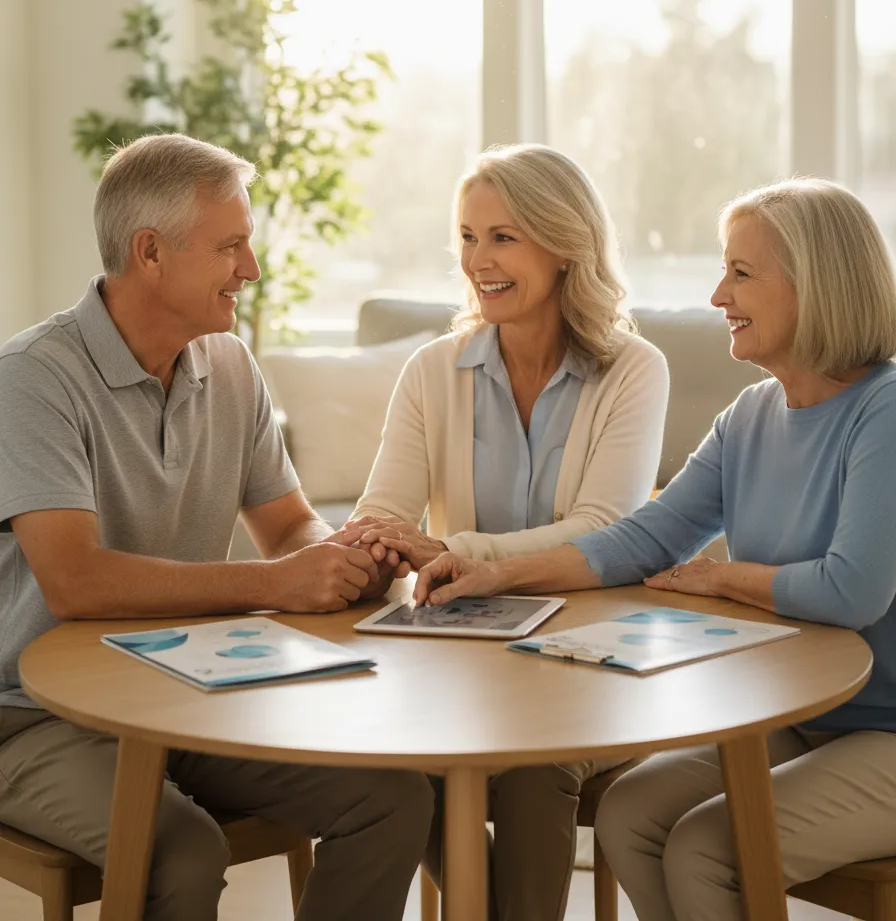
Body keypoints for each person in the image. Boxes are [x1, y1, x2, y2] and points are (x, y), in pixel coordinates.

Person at [408, 177, 896, 921]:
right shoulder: (751, 416)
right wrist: (498, 571)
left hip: (887, 731)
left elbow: (851, 592)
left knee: (707, 848)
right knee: (630, 813)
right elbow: (648, 537)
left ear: (815, 284)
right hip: (809, 720)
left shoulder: (884, 412)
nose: (715, 296)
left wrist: (723, 579)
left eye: (740, 272)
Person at [0, 133, 432, 921]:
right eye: (231, 246)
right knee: (183, 853)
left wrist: (343, 556)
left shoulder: (228, 365)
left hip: (192, 690)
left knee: (392, 797)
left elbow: (290, 525)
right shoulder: (31, 379)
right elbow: (74, 579)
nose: (253, 270)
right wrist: (272, 584)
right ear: (151, 253)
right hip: (33, 717)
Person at [343, 144, 669, 921]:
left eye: (502, 237)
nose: (476, 260)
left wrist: (459, 552)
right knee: (385, 766)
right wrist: (380, 545)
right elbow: (380, 517)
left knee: (533, 768)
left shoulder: (633, 369)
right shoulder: (431, 370)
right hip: (462, 661)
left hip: (594, 661)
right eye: (466, 236)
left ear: (564, 246)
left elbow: (602, 531)